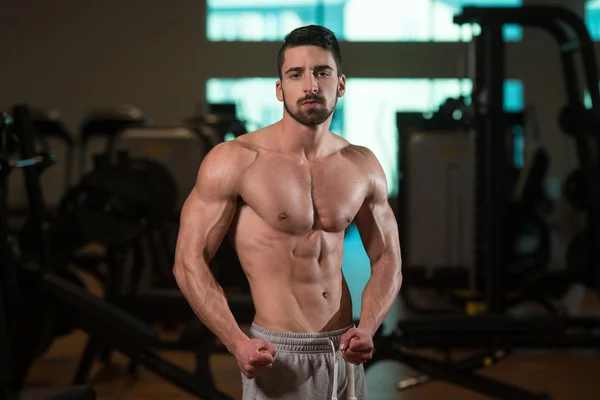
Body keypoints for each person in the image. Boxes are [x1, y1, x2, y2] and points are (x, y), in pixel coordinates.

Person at [173, 25, 402, 400]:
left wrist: (369, 328)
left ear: (340, 84)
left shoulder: (362, 164)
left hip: (343, 350)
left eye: (322, 72)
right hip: (276, 354)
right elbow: (188, 261)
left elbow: (387, 256)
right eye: (296, 74)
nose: (310, 85)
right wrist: (236, 342)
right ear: (280, 89)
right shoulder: (236, 161)